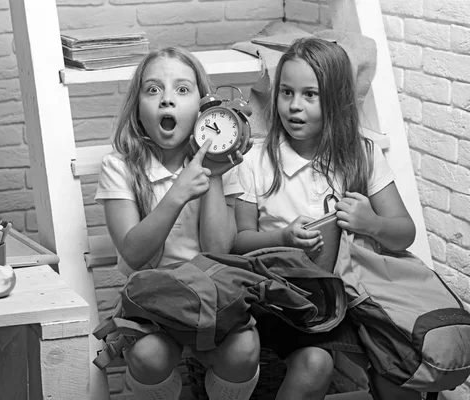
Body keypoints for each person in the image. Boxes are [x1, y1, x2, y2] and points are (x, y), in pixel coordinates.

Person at [233, 37, 419, 400]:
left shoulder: (361, 154)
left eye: (309, 95)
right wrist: (283, 238)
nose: (294, 107)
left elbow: (404, 233)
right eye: (286, 92)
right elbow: (238, 242)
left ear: (334, 100)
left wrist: (373, 224)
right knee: (315, 365)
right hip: (283, 301)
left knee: (398, 373)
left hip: (354, 295)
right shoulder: (256, 160)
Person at [94, 47, 260, 400]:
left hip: (211, 295)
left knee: (245, 349)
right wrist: (177, 193)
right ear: (137, 107)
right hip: (152, 302)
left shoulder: (222, 162)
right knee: (147, 357)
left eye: (182, 90)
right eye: (153, 90)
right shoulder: (119, 166)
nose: (167, 100)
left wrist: (212, 177)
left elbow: (218, 250)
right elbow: (134, 254)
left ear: (204, 107)